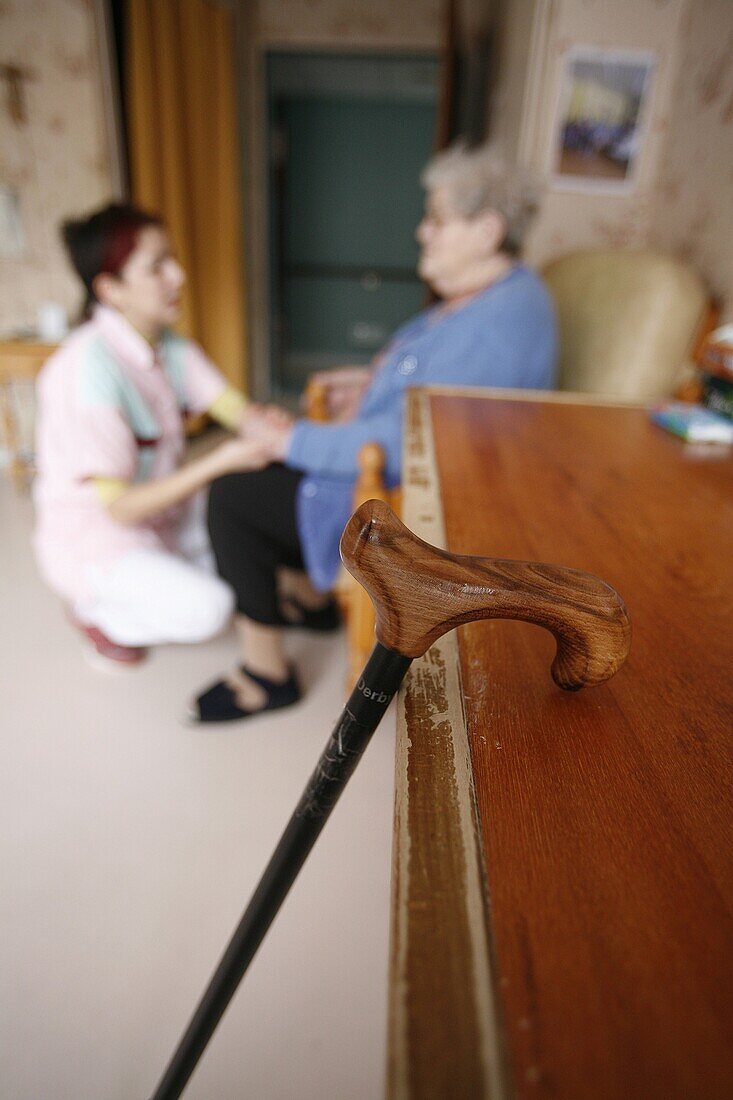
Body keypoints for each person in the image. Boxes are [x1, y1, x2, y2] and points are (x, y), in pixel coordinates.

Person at [191, 143, 558, 722]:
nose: (422, 231)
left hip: (412, 496)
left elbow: (421, 440)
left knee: (234, 493)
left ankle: (266, 673)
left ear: (487, 230)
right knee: (264, 464)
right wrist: (370, 381)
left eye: (437, 219)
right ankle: (311, 604)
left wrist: (292, 443)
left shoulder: (504, 324)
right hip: (394, 460)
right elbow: (435, 381)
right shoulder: (483, 300)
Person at [33, 203, 270, 668]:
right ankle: (94, 615)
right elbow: (119, 508)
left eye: (173, 260)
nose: (178, 276)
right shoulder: (86, 373)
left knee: (244, 531)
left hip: (159, 511)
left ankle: (162, 569)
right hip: (98, 534)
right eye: (158, 265)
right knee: (212, 608)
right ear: (110, 289)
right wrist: (220, 460)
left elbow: (235, 410)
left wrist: (289, 434)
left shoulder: (170, 346)